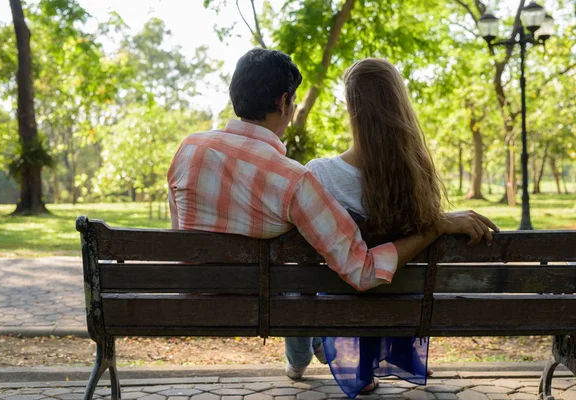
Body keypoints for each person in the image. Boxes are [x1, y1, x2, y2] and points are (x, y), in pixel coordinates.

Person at [166, 48, 498, 386]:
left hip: (196, 299)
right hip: (267, 307)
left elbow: (180, 234)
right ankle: (322, 347)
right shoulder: (293, 180)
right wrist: (436, 226)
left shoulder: (189, 149)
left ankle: (311, 350)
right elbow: (362, 270)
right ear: (284, 102)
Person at [294, 58, 493, 397]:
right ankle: (390, 354)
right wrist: (440, 224)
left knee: (306, 279)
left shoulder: (320, 174)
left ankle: (312, 361)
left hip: (340, 303)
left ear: (350, 108)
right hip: (402, 305)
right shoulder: (417, 176)